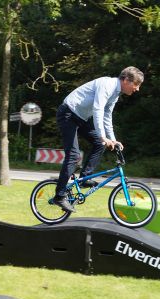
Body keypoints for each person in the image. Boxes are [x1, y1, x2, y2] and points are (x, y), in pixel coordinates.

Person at [53, 66, 144, 213]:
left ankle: (85, 177)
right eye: (136, 84)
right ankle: (59, 196)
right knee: (74, 155)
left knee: (99, 144)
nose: (137, 89)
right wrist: (103, 136)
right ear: (126, 80)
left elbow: (107, 115)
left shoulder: (115, 92)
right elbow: (98, 109)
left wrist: (112, 140)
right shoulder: (107, 85)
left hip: (81, 117)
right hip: (68, 113)